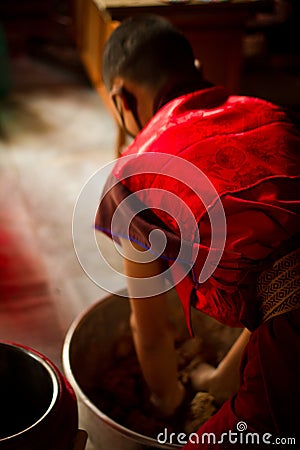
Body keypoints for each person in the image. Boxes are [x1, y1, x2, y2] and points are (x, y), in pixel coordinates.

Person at [95, 15, 300, 448]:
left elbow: (149, 334)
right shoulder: (270, 112)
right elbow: (279, 278)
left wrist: (166, 398)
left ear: (122, 99)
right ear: (196, 65)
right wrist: (222, 379)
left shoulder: (137, 172)